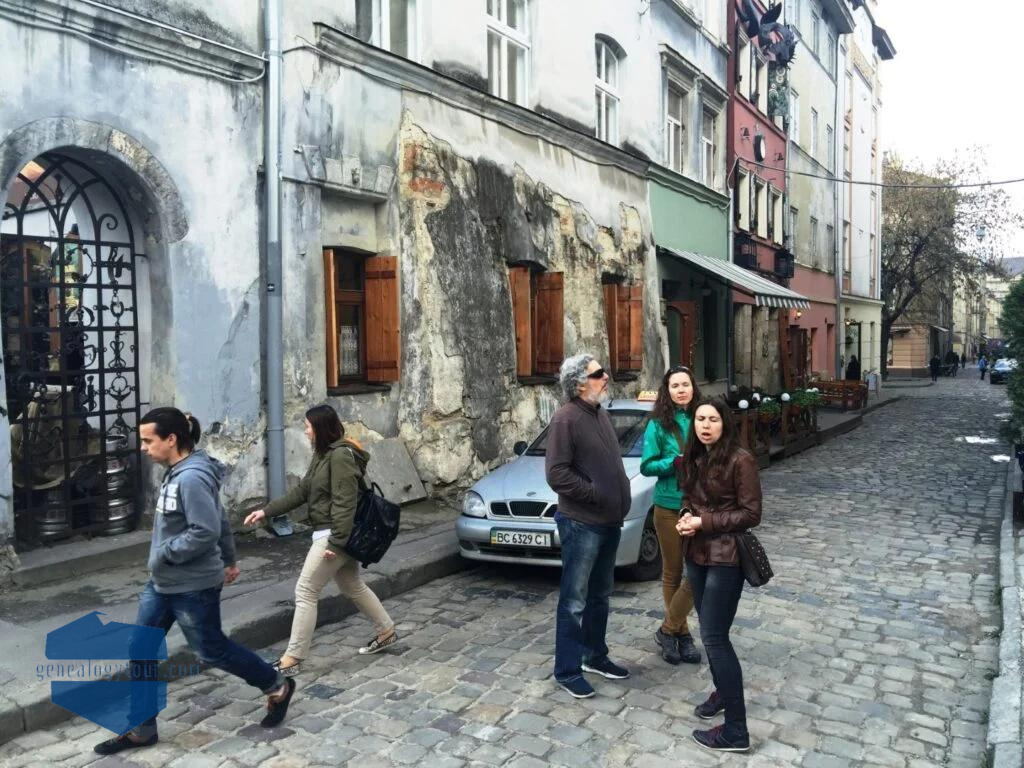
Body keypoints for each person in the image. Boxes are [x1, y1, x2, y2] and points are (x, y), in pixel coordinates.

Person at [95, 408, 295, 756]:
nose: (143, 448)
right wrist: (230, 558)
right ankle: (142, 729)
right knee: (140, 650)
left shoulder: (191, 478)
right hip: (162, 584)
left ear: (171, 439)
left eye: (147, 440)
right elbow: (217, 516)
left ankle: (277, 685)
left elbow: (205, 529)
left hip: (191, 586)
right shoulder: (178, 472)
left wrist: (164, 553)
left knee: (212, 650)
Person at [244, 405, 397, 675]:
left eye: (308, 426)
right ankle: (386, 630)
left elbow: (345, 503)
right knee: (352, 585)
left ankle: (293, 658)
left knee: (305, 591)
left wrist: (336, 543)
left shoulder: (340, 457)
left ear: (321, 428)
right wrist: (266, 511)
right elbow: (303, 491)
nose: (305, 430)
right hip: (333, 534)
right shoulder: (323, 455)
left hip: (334, 535)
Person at [675, 397, 762, 753]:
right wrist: (685, 517)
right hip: (696, 552)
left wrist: (703, 521)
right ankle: (722, 693)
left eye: (712, 419)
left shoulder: (741, 460)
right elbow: (689, 499)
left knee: (714, 637)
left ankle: (736, 732)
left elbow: (751, 514)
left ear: (724, 423)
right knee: (712, 632)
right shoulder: (693, 457)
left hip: (726, 556)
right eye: (700, 419)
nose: (705, 425)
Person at [545, 353, 632, 699]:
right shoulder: (566, 419)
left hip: (608, 521)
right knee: (574, 600)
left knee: (600, 596)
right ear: (580, 383)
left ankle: (594, 655)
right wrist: (595, 494)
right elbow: (556, 474)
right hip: (582, 524)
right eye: (599, 373)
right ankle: (567, 670)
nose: (606, 376)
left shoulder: (600, 413)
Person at [640, 365, 701, 666]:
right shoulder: (657, 425)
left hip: (701, 506)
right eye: (675, 385)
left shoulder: (702, 417)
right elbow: (646, 466)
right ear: (667, 390)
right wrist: (672, 462)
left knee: (698, 573)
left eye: (685, 384)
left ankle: (667, 629)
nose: (681, 390)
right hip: (668, 506)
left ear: (693, 387)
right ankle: (683, 634)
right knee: (673, 573)